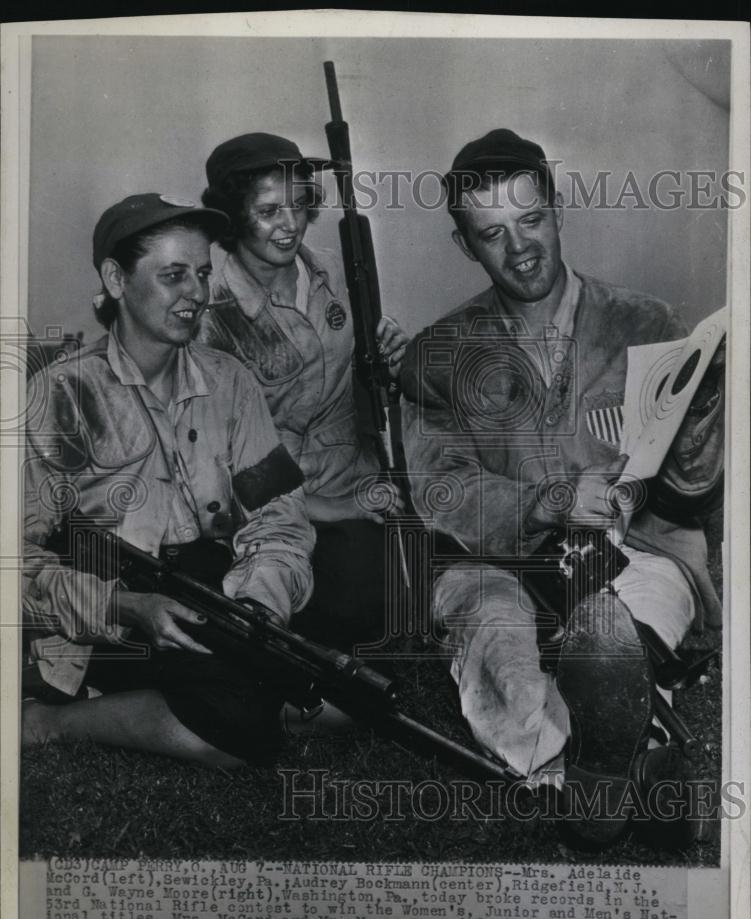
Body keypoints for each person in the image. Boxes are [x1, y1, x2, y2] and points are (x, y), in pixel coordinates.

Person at [399, 130, 725, 843]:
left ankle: (602, 721)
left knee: (614, 623)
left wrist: (702, 425)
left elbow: (691, 491)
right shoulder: (435, 356)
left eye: (531, 219)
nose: (519, 248)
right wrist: (545, 501)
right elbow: (439, 490)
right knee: (498, 650)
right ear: (465, 246)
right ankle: (625, 762)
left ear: (557, 208)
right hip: (497, 563)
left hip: (631, 549)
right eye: (491, 233)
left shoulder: (650, 325)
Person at [22, 193, 315, 768]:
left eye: (203, 274)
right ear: (114, 279)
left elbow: (280, 514)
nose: (198, 294)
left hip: (216, 592)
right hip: (107, 614)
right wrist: (128, 606)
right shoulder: (57, 398)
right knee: (234, 735)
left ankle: (222, 692)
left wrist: (259, 603)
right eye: (174, 275)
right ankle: (47, 722)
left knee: (342, 689)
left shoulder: (231, 382)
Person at [197, 133, 410, 650]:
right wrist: (336, 510)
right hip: (265, 507)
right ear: (231, 217)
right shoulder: (209, 316)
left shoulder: (332, 274)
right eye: (269, 211)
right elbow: (215, 461)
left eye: (297, 205)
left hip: (352, 478)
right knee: (353, 612)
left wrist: (387, 355)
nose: (289, 224)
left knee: (399, 599)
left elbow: (351, 384)